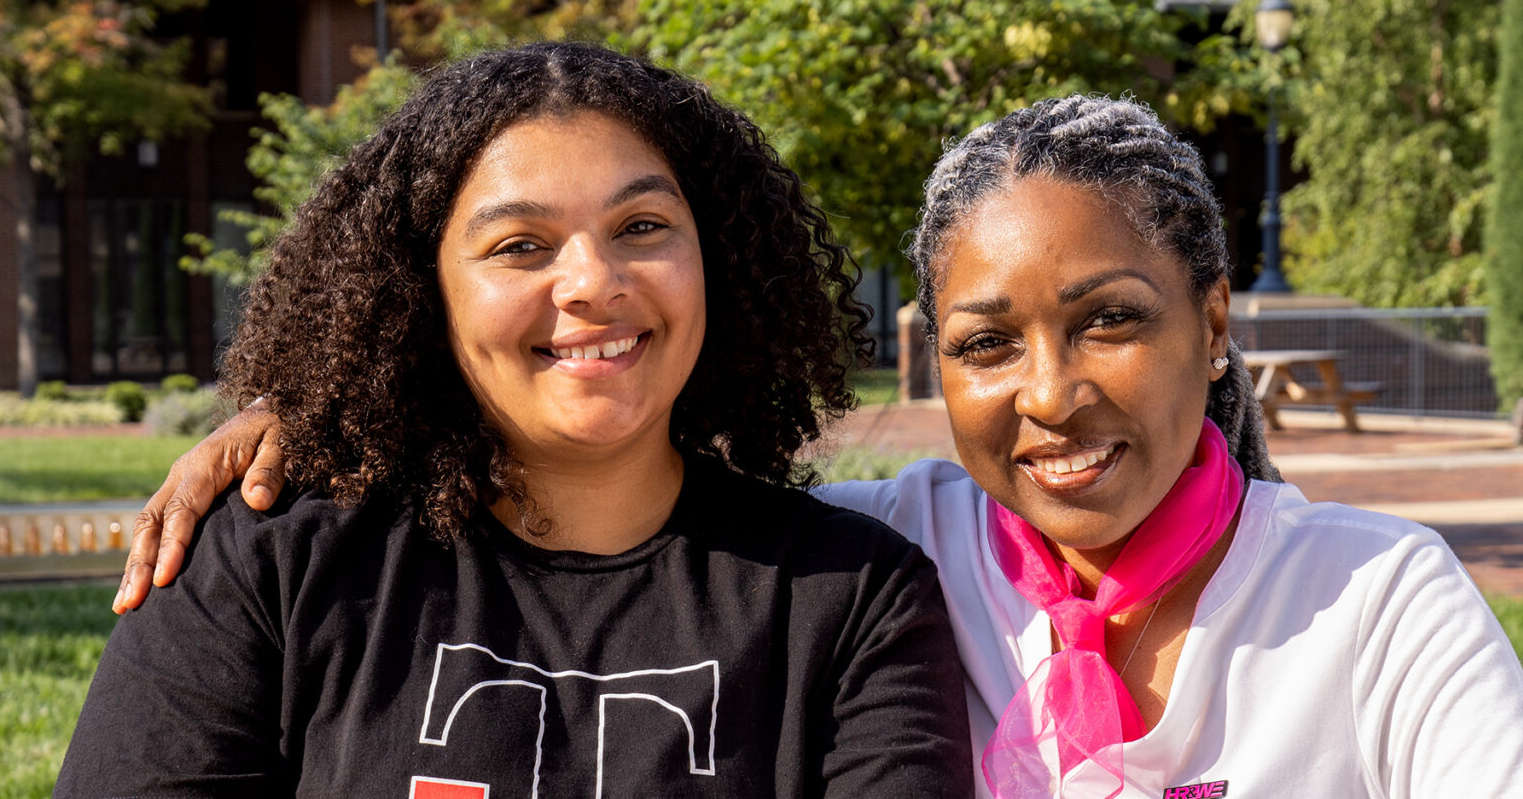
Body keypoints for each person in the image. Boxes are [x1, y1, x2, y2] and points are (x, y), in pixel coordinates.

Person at [111, 95, 1523, 798]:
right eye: (987, 343)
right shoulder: (895, 548)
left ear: (1215, 325)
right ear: (931, 365)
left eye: (1114, 322)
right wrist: (320, 410)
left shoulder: (1377, 597)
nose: (1053, 393)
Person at [54, 42, 973, 798]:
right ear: (422, 292)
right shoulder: (271, 560)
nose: (592, 283)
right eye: (519, 246)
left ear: (718, 260)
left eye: (643, 227)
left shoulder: (856, 599)